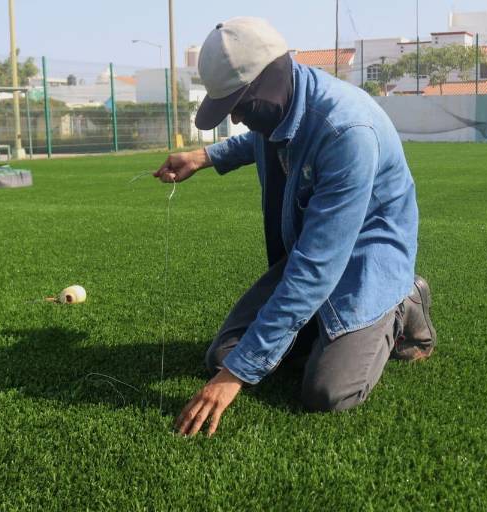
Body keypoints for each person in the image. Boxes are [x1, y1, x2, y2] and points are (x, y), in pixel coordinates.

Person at [154, 17, 436, 437]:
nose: (234, 115)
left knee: (328, 391)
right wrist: (205, 157)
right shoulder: (281, 104)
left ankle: (404, 299)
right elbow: (258, 137)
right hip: (318, 245)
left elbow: (314, 269)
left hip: (366, 256)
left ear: (266, 83)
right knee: (223, 355)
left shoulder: (346, 131)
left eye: (238, 104)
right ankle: (316, 331)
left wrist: (235, 380)